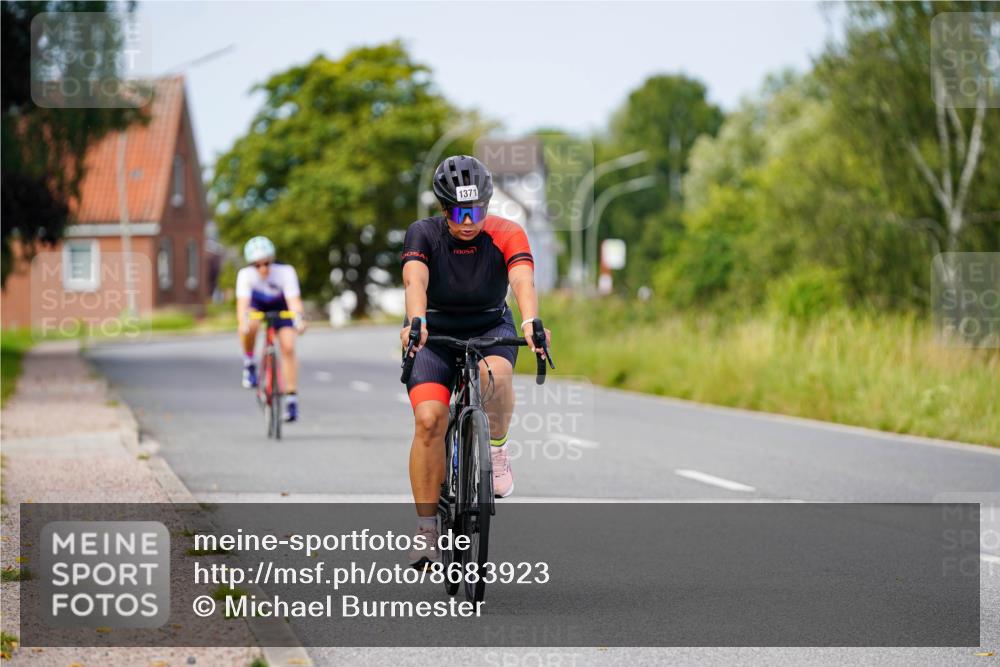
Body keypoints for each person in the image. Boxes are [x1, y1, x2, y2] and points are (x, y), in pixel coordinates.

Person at [400, 155, 550, 568]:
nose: (468, 221)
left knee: (497, 378)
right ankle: (427, 530)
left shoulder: (506, 232)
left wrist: (532, 319)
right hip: (433, 330)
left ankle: (496, 451)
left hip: (488, 326)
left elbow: (522, 279)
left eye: (476, 210)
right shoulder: (424, 233)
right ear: (443, 208)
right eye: (458, 211)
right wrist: (415, 319)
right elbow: (416, 279)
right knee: (430, 419)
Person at [235, 236, 306, 422]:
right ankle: (249, 362)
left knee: (288, 347)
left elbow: (294, 302)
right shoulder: (245, 275)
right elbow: (242, 306)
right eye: (257, 265)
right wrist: (243, 324)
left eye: (266, 263)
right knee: (250, 324)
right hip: (257, 305)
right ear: (251, 265)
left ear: (272, 260)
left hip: (281, 306)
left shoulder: (285, 272)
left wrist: (299, 320)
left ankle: (291, 399)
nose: (263, 269)